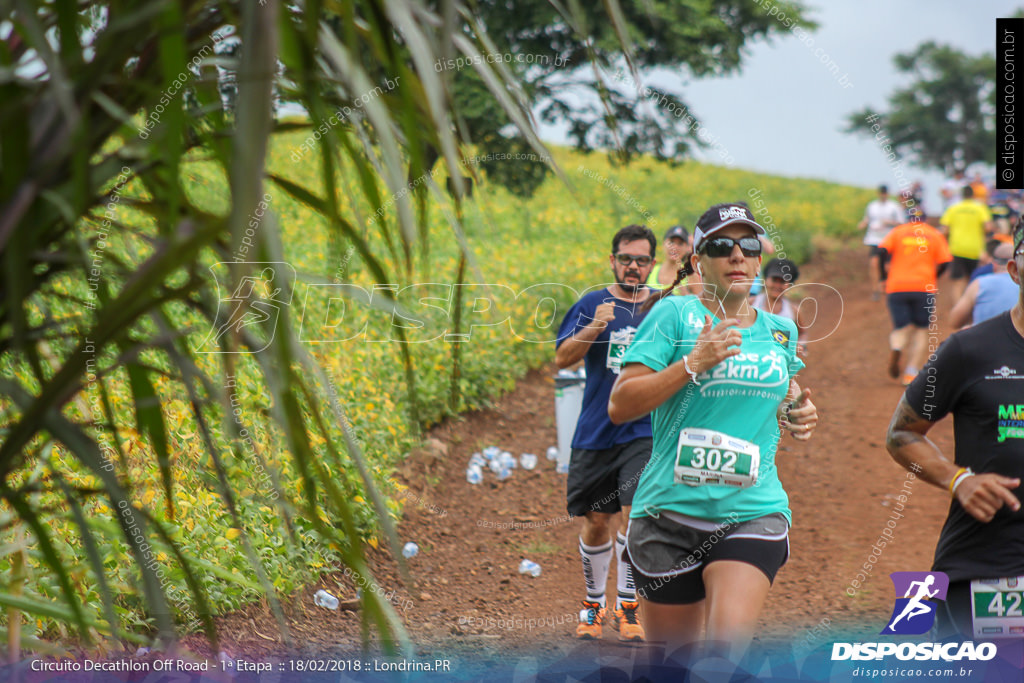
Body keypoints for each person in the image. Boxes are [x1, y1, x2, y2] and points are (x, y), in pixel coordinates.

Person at [607, 203, 818, 659]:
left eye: (748, 246)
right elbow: (621, 405)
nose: (737, 256)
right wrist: (691, 363)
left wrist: (797, 409)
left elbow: (784, 391)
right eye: (722, 246)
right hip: (667, 516)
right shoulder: (674, 317)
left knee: (721, 659)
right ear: (699, 260)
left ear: (759, 259)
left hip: (751, 513)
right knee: (670, 664)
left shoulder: (781, 331)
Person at [885, 221, 1024, 639]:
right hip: (992, 565)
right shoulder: (969, 351)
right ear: (1015, 270)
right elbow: (902, 434)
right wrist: (957, 480)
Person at [555, 224, 657, 642]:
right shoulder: (591, 303)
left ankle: (628, 608)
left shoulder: (664, 308)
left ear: (652, 265)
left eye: (642, 260)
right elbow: (562, 359)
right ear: (612, 260)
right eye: (626, 259)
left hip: (645, 429)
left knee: (635, 519)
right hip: (598, 429)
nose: (633, 267)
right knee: (597, 520)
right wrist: (595, 327)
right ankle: (594, 604)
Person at [878, 217, 952, 385]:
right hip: (924, 287)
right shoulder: (934, 234)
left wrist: (884, 277)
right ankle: (911, 372)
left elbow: (882, 251)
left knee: (900, 328)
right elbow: (945, 261)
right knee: (921, 329)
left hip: (897, 286)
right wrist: (935, 277)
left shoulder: (898, 232)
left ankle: (897, 347)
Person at [940, 185, 994, 302]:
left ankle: (958, 306)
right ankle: (970, 307)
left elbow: (945, 230)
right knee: (973, 279)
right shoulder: (980, 208)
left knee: (958, 280)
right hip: (975, 249)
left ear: (961, 195)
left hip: (956, 248)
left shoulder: (953, 208)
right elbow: (988, 227)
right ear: (973, 195)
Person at [949, 241, 1019, 328]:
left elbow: (954, 321)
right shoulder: (1021, 284)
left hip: (984, 338)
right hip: (1018, 339)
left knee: (965, 329)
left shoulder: (979, 283)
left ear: (994, 264)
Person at [750, 258, 812, 354]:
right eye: (774, 280)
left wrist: (800, 345)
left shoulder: (793, 311)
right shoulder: (750, 304)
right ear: (766, 280)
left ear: (789, 285)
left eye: (782, 282)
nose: (777, 285)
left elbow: (803, 333)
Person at [858, 185, 904, 300]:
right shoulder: (872, 206)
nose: (883, 195)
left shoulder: (894, 207)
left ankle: (888, 287)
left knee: (888, 266)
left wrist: (889, 222)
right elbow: (867, 219)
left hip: (889, 239)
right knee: (874, 264)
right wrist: (862, 224)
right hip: (874, 239)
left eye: (885, 193)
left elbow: (901, 223)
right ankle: (875, 290)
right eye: (881, 193)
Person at [648, 225, 698, 295]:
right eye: (671, 242)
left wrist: (686, 295)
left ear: (687, 248)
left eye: (680, 244)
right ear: (663, 243)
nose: (674, 247)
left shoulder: (690, 275)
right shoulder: (650, 270)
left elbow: (701, 305)